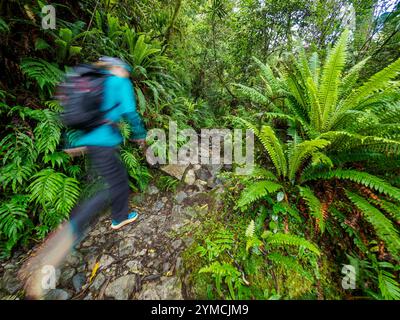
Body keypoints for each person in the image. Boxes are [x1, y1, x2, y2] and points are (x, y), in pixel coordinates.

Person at [19, 57, 147, 299]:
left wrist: (72, 143)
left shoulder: (94, 81)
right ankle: (65, 237)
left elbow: (77, 113)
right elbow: (129, 112)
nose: (127, 75)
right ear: (120, 69)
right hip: (105, 142)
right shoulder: (119, 82)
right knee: (107, 189)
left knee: (112, 180)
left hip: (91, 141)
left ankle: (119, 217)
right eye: (127, 72)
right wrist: (140, 135)